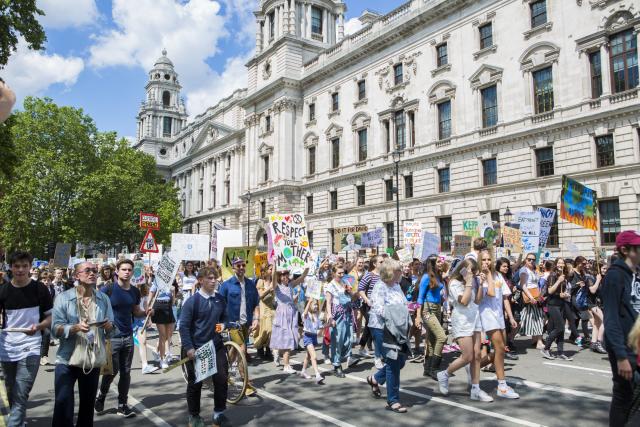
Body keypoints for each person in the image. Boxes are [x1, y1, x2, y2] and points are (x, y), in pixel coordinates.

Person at [51, 261, 115, 427]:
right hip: (67, 358)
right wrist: (75, 328)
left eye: (95, 270)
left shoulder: (103, 298)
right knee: (63, 405)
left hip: (91, 359)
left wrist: (109, 327)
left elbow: (112, 330)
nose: (92, 273)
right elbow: (54, 329)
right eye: (87, 270)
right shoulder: (63, 298)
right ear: (76, 275)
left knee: (87, 408)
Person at [0, 251, 53, 427]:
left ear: (30, 267)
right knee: (10, 390)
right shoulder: (3, 291)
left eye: (25, 266)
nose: (21, 270)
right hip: (7, 347)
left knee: (21, 392)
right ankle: (19, 420)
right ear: (10, 267)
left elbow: (50, 317)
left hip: (31, 346)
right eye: (17, 266)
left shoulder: (40, 289)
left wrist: (38, 327)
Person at [95, 259, 150, 417]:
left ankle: (122, 404)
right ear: (117, 271)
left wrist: (146, 312)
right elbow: (95, 309)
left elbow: (136, 312)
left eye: (129, 270)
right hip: (112, 338)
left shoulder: (134, 291)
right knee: (112, 371)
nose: (126, 272)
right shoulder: (108, 290)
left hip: (128, 337)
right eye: (123, 269)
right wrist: (103, 322)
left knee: (126, 373)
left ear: (132, 272)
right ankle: (102, 395)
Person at [437, 258, 493, 402]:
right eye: (469, 270)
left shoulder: (472, 282)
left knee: (477, 355)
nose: (472, 273)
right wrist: (469, 282)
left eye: (474, 270)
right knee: (467, 356)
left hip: (474, 319)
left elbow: (478, 301)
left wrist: (480, 285)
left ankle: (475, 389)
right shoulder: (454, 283)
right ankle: (445, 374)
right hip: (461, 321)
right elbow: (464, 301)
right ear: (462, 269)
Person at [179, 266, 229, 427]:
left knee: (221, 378)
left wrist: (223, 325)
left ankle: (219, 413)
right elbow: (184, 326)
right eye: (210, 278)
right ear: (200, 280)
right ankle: (194, 416)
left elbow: (225, 319)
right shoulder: (192, 302)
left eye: (215, 278)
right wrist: (189, 347)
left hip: (215, 346)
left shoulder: (220, 299)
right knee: (195, 383)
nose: (214, 281)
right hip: (196, 348)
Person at [601, 230, 640, 426]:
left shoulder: (636, 274)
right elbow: (611, 318)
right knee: (623, 397)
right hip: (624, 348)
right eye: (637, 248)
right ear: (625, 250)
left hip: (637, 345)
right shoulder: (614, 277)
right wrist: (621, 356)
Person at [366, 259, 410, 413]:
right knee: (393, 363)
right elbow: (378, 307)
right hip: (382, 328)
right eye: (399, 270)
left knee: (401, 360)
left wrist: (408, 313)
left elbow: (404, 303)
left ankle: (376, 378)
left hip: (398, 328)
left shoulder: (397, 286)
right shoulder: (380, 286)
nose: (401, 272)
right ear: (391, 272)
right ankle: (393, 400)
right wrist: (394, 318)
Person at [478, 250, 519, 399]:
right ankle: (502, 386)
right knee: (500, 348)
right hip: (487, 316)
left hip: (500, 316)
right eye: (483, 260)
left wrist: (511, 316)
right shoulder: (480, 276)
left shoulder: (499, 275)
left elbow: (505, 297)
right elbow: (490, 293)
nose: (487, 262)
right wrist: (487, 275)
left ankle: (473, 368)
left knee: (499, 352)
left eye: (489, 259)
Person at [218, 257, 259, 396]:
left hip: (245, 323)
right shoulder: (226, 285)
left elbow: (256, 303)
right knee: (242, 349)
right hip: (232, 323)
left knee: (235, 352)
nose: (241, 267)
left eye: (243, 265)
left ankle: (223, 371)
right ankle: (245, 383)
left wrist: (256, 318)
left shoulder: (250, 284)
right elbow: (219, 305)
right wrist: (221, 322)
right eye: (238, 265)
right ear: (233, 268)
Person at [270, 266, 308, 373]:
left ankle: (277, 351)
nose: (285, 276)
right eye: (283, 275)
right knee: (287, 339)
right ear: (279, 277)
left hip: (291, 313)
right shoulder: (277, 287)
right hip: (282, 314)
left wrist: (308, 266)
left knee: (289, 338)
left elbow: (302, 277)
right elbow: (273, 279)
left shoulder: (291, 285)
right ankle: (286, 365)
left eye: (286, 274)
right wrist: (274, 268)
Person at [325, 264, 359, 377]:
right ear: (333, 273)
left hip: (347, 312)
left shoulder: (347, 282)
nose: (341, 275)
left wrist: (351, 292)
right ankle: (337, 364)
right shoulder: (330, 286)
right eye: (339, 273)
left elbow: (354, 297)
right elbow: (328, 303)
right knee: (337, 340)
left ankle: (342, 358)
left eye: (342, 273)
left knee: (349, 339)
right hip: (337, 314)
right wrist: (330, 317)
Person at [416, 255, 447, 379]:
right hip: (428, 311)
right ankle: (434, 368)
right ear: (432, 263)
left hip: (437, 309)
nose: (441, 263)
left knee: (432, 340)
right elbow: (420, 298)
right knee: (442, 337)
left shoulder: (437, 275)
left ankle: (428, 369)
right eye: (439, 261)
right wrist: (418, 316)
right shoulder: (426, 277)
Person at [542, 259, 573, 361]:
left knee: (562, 330)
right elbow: (550, 291)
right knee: (560, 327)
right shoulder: (553, 276)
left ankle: (560, 352)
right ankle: (546, 348)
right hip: (552, 305)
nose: (561, 264)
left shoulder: (564, 276)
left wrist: (564, 294)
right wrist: (559, 281)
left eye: (562, 263)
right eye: (559, 263)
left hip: (561, 304)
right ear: (555, 264)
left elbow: (561, 292)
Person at [358, 255, 384, 367]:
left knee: (369, 327)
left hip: (380, 306)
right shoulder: (369, 275)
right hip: (369, 306)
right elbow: (360, 289)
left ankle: (362, 347)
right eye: (381, 262)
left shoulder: (383, 275)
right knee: (375, 329)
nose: (383, 263)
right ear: (375, 264)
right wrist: (367, 300)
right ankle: (378, 358)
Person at [149, 275, 177, 368]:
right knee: (163, 335)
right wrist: (148, 308)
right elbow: (151, 294)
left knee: (169, 335)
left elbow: (173, 302)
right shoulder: (157, 280)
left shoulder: (171, 281)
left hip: (168, 307)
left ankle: (166, 353)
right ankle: (162, 359)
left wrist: (173, 292)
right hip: (158, 307)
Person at [519, 253, 545, 349]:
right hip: (531, 296)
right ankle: (538, 341)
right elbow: (523, 285)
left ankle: (535, 339)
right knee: (538, 319)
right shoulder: (524, 270)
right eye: (529, 259)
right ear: (525, 260)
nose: (531, 261)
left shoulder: (533, 270)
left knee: (533, 318)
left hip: (536, 295)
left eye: (533, 259)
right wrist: (531, 297)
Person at [300, 299, 324, 383]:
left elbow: (321, 327)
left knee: (308, 356)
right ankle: (317, 375)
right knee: (314, 356)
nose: (316, 306)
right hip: (307, 336)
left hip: (314, 337)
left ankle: (303, 371)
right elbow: (305, 313)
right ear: (309, 305)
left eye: (317, 305)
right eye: (314, 304)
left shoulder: (317, 316)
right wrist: (309, 301)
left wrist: (330, 323)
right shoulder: (307, 314)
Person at [254, 265, 276, 360]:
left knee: (271, 330)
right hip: (263, 307)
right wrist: (269, 289)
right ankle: (259, 347)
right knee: (264, 330)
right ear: (266, 271)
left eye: (272, 269)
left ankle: (268, 349)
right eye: (270, 269)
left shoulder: (273, 282)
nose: (272, 271)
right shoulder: (260, 281)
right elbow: (260, 295)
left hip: (271, 308)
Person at [588, 264, 607, 354]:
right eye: (603, 268)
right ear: (598, 268)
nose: (605, 270)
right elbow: (592, 290)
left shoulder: (604, 277)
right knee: (604, 321)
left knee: (597, 323)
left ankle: (593, 342)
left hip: (600, 304)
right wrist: (598, 280)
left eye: (606, 268)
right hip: (592, 304)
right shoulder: (591, 277)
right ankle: (599, 342)